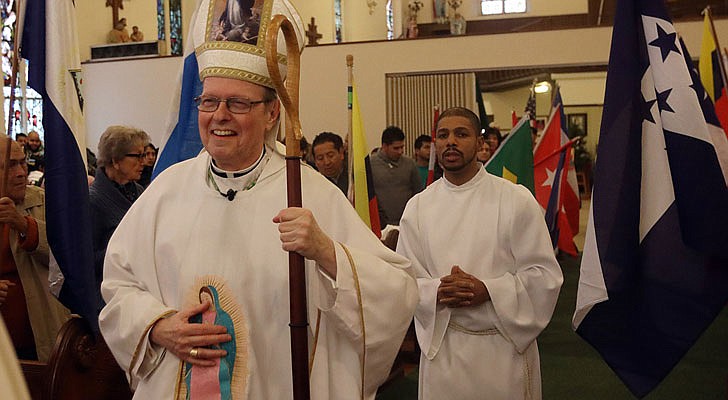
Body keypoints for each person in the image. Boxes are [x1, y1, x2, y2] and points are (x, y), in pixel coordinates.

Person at [98, 1, 417, 399]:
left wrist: (325, 250)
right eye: (209, 101)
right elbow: (119, 285)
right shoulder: (165, 191)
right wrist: (157, 326)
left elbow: (396, 291)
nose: (219, 115)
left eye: (238, 103)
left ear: (271, 114)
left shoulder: (309, 192)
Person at [396, 107, 563, 400]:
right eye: (443, 135)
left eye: (461, 134)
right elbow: (405, 280)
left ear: (480, 144)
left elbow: (545, 277)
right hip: (444, 348)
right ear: (435, 143)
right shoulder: (419, 207)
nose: (451, 142)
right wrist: (438, 289)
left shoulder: (515, 200)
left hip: (502, 349)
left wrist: (487, 290)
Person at [0, 140, 70, 362]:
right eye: (11, 165)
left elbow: (66, 255)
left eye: (23, 163)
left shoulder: (42, 201)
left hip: (37, 334)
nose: (22, 173)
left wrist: (22, 224)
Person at [89, 126, 149, 312]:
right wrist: (125, 249)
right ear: (115, 161)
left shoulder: (139, 192)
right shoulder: (92, 200)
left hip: (142, 288)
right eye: (137, 156)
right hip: (110, 297)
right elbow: (88, 260)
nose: (144, 162)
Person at [370, 126, 423, 227]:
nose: (400, 151)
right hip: (380, 224)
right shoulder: (370, 164)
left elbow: (418, 193)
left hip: (406, 222)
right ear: (384, 146)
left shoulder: (410, 164)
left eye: (402, 147)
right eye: (396, 148)